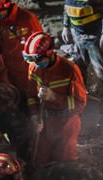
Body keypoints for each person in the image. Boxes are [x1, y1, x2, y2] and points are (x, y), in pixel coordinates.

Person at [23, 32, 86, 167]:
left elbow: (80, 104)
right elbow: (30, 96)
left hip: (66, 125)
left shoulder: (69, 70)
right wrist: (34, 116)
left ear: (50, 53)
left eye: (39, 60)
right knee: (40, 163)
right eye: (33, 60)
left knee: (63, 166)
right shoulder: (33, 68)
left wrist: (54, 97)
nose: (36, 64)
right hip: (44, 124)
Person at [0, 0, 42, 91]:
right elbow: (3, 43)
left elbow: (40, 43)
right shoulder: (1, 21)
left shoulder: (27, 18)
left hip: (28, 72)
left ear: (6, 6)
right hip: (13, 73)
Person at [61, 0, 103, 89]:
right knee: (80, 66)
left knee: (101, 70)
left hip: (94, 35)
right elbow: (67, 8)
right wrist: (65, 26)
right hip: (77, 35)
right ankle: (84, 90)